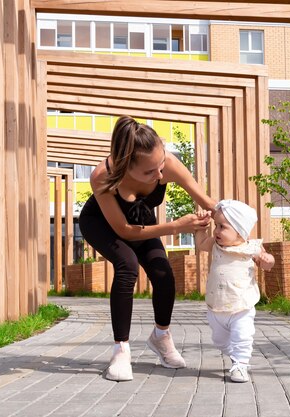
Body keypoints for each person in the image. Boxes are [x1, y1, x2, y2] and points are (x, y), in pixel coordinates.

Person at [79, 115, 215, 382]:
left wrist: (231, 220)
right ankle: (121, 350)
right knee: (127, 265)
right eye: (150, 172)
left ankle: (161, 337)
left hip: (140, 219)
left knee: (163, 273)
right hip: (102, 224)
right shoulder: (102, 176)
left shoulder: (169, 165)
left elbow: (206, 200)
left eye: (161, 165)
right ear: (124, 165)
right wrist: (176, 226)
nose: (160, 175)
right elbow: (123, 231)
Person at [194, 199, 275, 383]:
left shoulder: (251, 247)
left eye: (222, 227)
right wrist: (200, 228)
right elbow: (200, 244)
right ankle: (234, 355)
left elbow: (269, 262)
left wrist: (266, 260)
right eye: (216, 226)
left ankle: (240, 364)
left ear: (241, 230)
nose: (216, 231)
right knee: (220, 341)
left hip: (242, 306)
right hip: (217, 306)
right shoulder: (215, 245)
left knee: (243, 336)